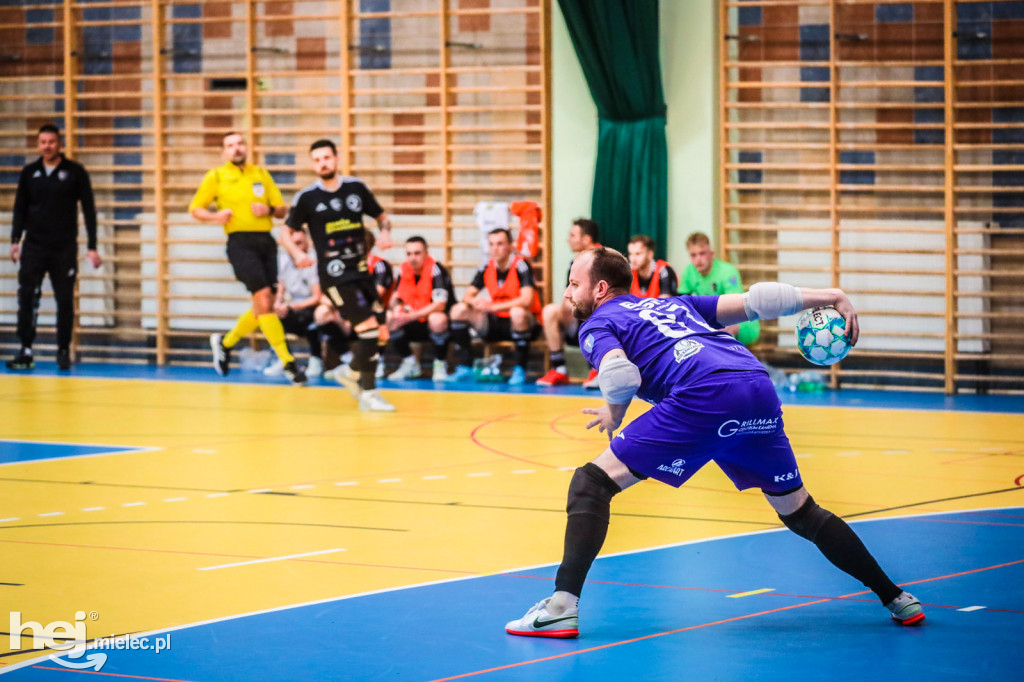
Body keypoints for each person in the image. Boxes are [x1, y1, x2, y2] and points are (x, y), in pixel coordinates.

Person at [505, 247, 924, 638]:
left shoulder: (598, 323)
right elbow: (759, 301)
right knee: (801, 512)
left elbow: (621, 377)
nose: (566, 292)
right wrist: (831, 295)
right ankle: (897, 598)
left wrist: (614, 413)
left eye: (573, 284)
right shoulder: (675, 303)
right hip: (755, 385)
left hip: (703, 393)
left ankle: (561, 606)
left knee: (590, 484)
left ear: (599, 289)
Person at [282, 138, 395, 412]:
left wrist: (385, 232)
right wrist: (298, 256)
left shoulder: (356, 188)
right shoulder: (307, 197)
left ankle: (352, 372)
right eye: (317, 159)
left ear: (336, 159)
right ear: (313, 164)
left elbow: (381, 216)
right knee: (367, 329)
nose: (323, 163)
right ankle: (368, 393)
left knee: (380, 333)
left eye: (327, 158)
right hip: (335, 275)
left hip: (361, 271)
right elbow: (286, 232)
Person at [190, 131, 305, 384]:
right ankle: (288, 362)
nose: (236, 148)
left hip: (265, 242)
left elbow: (282, 209)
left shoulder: (261, 174)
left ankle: (225, 341)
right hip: (240, 242)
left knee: (264, 303)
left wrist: (270, 209)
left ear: (246, 147)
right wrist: (215, 216)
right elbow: (195, 208)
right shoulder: (217, 176)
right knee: (264, 297)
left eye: (240, 143)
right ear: (224, 152)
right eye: (230, 145)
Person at [7, 124, 101, 371]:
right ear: (38, 145)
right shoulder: (29, 173)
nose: (47, 146)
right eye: (42, 142)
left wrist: (92, 246)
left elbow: (89, 210)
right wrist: (15, 241)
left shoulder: (75, 172)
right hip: (34, 247)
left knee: (64, 301)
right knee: (26, 296)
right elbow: (19, 209)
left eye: (51, 142)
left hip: (63, 249)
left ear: (59, 143)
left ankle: (62, 350)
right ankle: (26, 350)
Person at [448, 228, 541, 386]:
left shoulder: (521, 265)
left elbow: (526, 300)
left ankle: (520, 368)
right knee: (458, 310)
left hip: (523, 324)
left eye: (500, 244)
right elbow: (467, 296)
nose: (495, 248)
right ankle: (466, 366)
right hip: (495, 323)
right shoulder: (486, 267)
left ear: (510, 246)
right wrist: (476, 303)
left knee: (517, 312)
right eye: (491, 244)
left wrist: (492, 307)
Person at [535, 218, 600, 387]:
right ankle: (559, 369)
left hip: (599, 318)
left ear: (586, 239)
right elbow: (569, 294)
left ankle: (597, 369)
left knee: (593, 308)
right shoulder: (576, 261)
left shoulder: (603, 260)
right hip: (575, 318)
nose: (568, 239)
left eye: (572, 235)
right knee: (550, 311)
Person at [385, 236, 455, 383]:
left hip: (435, 325)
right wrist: (397, 306)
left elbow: (439, 304)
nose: (412, 258)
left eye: (417, 253)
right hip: (413, 321)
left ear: (426, 253)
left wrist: (410, 316)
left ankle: (440, 363)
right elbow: (397, 296)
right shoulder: (404, 269)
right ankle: (410, 363)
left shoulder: (436, 270)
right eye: (409, 254)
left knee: (437, 319)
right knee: (389, 317)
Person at [680, 231, 760, 347]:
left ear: (712, 254)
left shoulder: (727, 271)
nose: (698, 259)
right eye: (693, 255)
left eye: (702, 254)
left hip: (742, 321)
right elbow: (682, 304)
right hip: (712, 320)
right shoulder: (688, 272)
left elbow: (735, 307)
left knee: (726, 329)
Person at [264, 228, 324, 378]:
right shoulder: (284, 260)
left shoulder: (314, 261)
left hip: (314, 306)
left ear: (307, 243)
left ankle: (316, 358)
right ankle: (285, 359)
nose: (297, 247)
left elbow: (317, 296)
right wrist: (278, 303)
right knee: (270, 319)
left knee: (312, 319)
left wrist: (292, 306)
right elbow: (281, 289)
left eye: (300, 243)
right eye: (293, 243)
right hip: (294, 306)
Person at [627, 234, 678, 299]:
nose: (632, 259)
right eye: (630, 254)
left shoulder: (663, 270)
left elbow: (665, 305)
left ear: (650, 254)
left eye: (638, 254)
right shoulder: (628, 272)